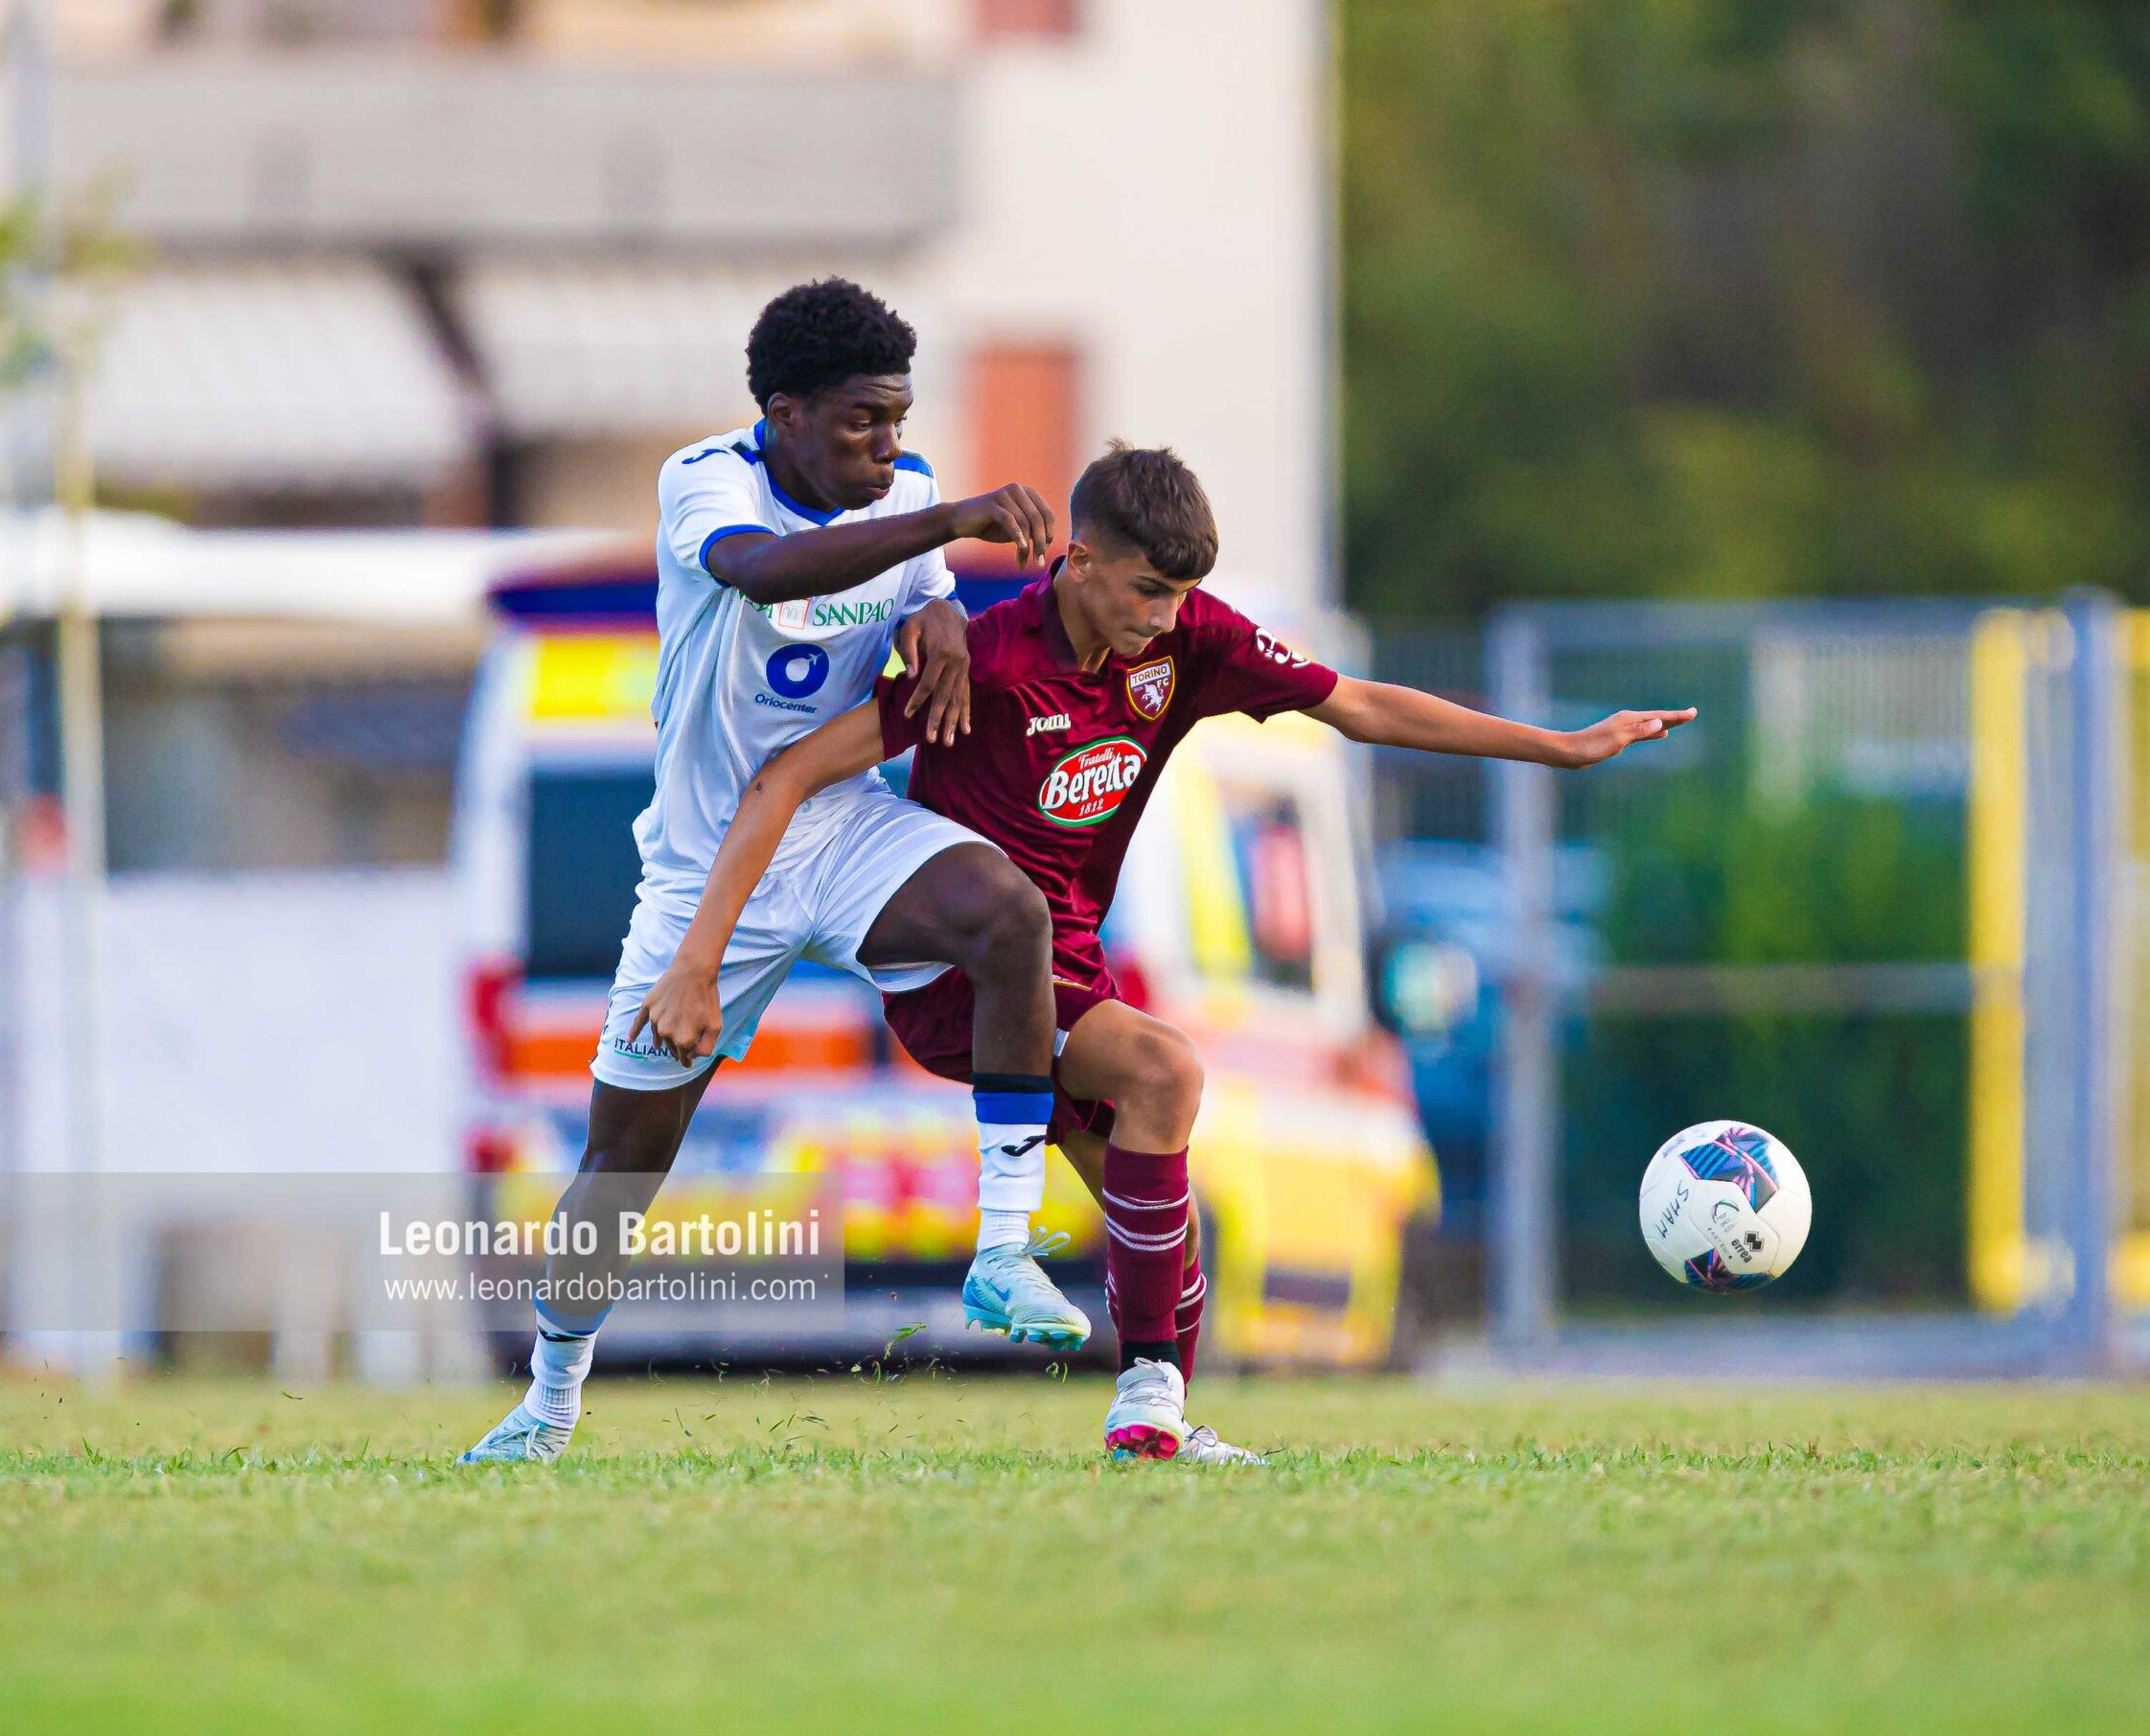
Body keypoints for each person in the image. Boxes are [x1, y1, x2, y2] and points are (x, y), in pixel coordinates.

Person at [631, 443, 1696, 1462]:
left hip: (1071, 968)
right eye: (1144, 591)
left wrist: (1555, 746)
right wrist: (698, 954)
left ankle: (1154, 1419)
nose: (1162, 618)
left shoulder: (1191, 644)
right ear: (1075, 561)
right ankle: (1111, 1362)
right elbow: (788, 777)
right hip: (970, 976)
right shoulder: (989, 660)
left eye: (1179, 595)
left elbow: (1360, 706)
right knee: (1165, 1069)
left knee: (1168, 1244)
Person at [461, 279, 1095, 1466]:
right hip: (708, 866)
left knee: (1007, 915)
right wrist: (947, 520)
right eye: (864, 420)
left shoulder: (902, 497)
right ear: (787, 412)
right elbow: (763, 574)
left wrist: (940, 620)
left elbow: (923, 607)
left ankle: (1004, 1254)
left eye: (901, 419)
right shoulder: (703, 478)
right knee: (624, 1160)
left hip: (839, 824)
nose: (890, 447)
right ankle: (547, 1400)